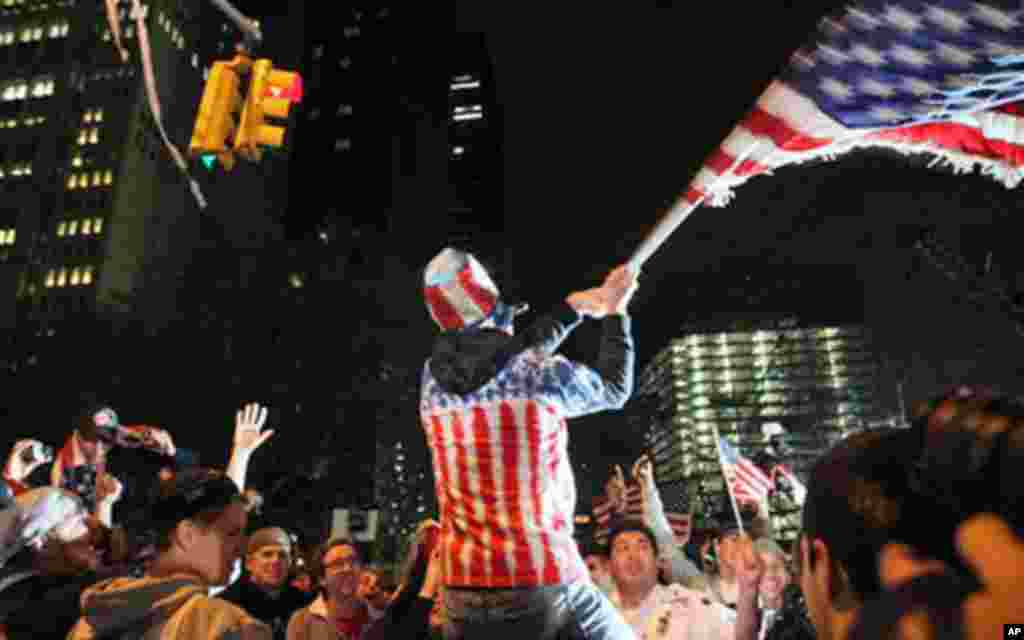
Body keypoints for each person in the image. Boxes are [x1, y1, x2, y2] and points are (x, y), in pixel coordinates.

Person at [420, 248, 639, 639]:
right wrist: (616, 313)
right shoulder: (535, 372)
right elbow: (614, 388)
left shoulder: (431, 382)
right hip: (539, 579)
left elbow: (506, 356)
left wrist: (573, 310)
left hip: (459, 588)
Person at [67, 467, 270, 640]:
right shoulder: (232, 628)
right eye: (231, 534)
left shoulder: (88, 622)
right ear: (187, 535)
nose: (241, 549)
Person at [606, 520, 733, 640]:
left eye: (642, 547)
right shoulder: (595, 617)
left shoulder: (691, 604)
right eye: (623, 548)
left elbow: (741, 632)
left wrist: (747, 591)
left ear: (657, 562)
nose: (633, 555)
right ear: (609, 566)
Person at [219, 526, 313, 639]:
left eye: (282, 555)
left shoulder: (303, 604)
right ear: (249, 562)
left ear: (290, 562)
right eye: (267, 554)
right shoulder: (226, 605)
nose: (276, 561)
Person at [287, 539, 369, 640]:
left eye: (353, 561)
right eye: (337, 564)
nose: (348, 569)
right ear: (322, 579)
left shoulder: (377, 618)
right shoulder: (302, 622)